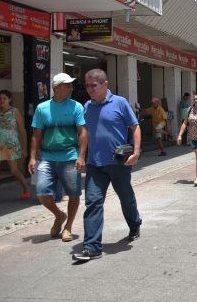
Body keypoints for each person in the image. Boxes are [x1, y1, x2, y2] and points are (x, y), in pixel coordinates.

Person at [73, 69, 142, 262]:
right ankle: (92, 247)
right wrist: (81, 156)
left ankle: (135, 223)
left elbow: (134, 126)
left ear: (105, 84)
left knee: (126, 198)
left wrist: (136, 152)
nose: (89, 90)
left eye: (93, 85)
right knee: (93, 202)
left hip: (119, 163)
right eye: (87, 86)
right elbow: (85, 132)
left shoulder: (120, 102)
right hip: (95, 164)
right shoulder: (87, 106)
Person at [27, 73, 87, 242]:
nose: (71, 88)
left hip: (70, 155)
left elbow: (82, 132)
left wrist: (81, 156)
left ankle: (68, 227)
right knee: (42, 192)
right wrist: (32, 157)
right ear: (56, 88)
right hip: (47, 157)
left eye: (70, 85)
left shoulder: (76, 106)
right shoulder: (42, 108)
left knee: (73, 194)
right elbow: (36, 135)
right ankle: (59, 215)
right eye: (67, 85)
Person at [0, 89, 31, 198]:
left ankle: (26, 188)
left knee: (13, 170)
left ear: (10, 99)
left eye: (4, 98)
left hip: (11, 145)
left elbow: (22, 130)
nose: (2, 100)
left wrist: (24, 148)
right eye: (0, 98)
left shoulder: (14, 111)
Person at [176, 93, 197, 186]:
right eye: (194, 99)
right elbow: (185, 123)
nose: (195, 100)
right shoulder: (190, 110)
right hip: (192, 137)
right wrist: (180, 135)